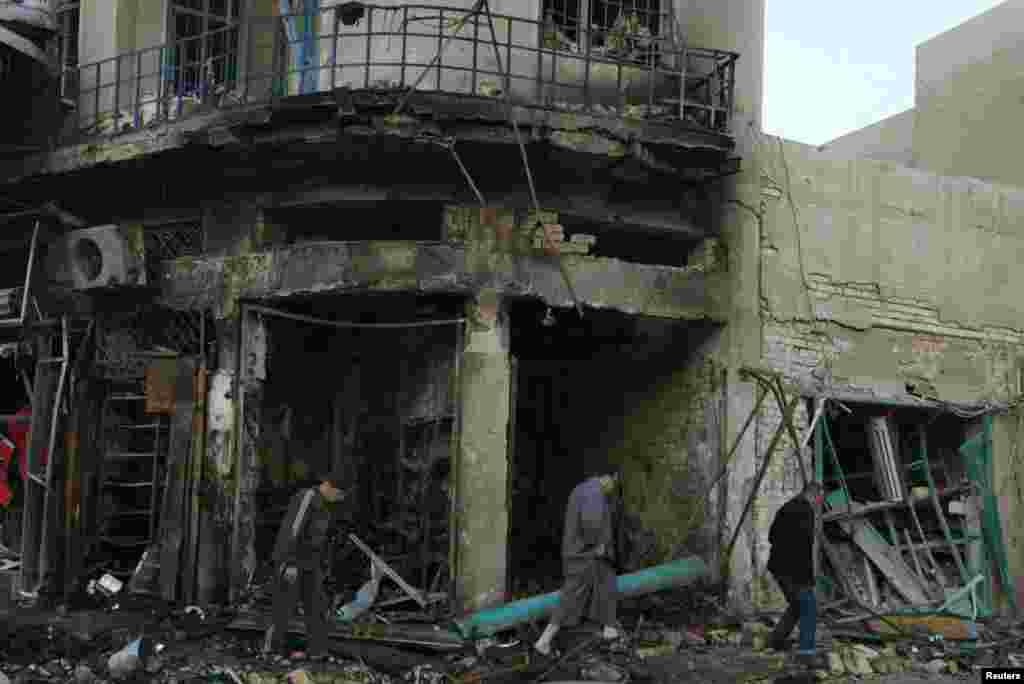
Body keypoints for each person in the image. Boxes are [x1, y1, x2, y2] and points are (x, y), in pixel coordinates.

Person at [534, 470, 622, 657]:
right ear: (607, 477)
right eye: (613, 484)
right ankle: (544, 640)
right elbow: (591, 523)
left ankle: (609, 628)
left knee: (605, 580)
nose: (611, 489)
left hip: (582, 554)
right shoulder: (594, 492)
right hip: (584, 555)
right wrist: (597, 545)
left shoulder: (582, 489)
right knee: (571, 595)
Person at [263, 471, 348, 660]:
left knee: (317, 607)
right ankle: (272, 651)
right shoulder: (307, 497)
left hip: (310, 564)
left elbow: (319, 539)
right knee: (282, 607)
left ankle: (317, 651)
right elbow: (293, 529)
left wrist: (323, 566)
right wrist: (290, 563)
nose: (338, 499)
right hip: (291, 561)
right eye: (338, 494)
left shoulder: (325, 507)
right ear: (327, 485)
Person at [766, 480, 824, 667]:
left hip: (778, 568)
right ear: (814, 495)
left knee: (797, 605)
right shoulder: (806, 511)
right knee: (809, 608)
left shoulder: (785, 507)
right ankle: (806, 654)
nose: (819, 502)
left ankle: (776, 640)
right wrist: (808, 578)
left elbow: (771, 535)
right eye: (819, 498)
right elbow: (803, 547)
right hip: (794, 571)